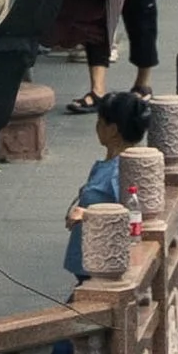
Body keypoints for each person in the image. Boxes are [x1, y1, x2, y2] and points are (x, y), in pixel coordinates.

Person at [62, 89, 150, 285]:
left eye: (100, 122)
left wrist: (86, 215)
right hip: (90, 258)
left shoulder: (120, 171)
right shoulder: (112, 164)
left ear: (112, 129)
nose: (97, 128)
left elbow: (131, 214)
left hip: (101, 262)